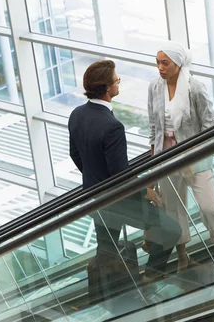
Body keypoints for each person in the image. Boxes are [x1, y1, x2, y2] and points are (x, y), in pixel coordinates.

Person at [68, 60, 181, 286]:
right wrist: (144, 192)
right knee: (171, 230)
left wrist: (96, 179)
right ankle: (150, 278)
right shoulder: (113, 127)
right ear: (108, 89)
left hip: (94, 197)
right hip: (119, 202)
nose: (119, 83)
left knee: (106, 251)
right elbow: (120, 174)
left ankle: (109, 298)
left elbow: (75, 155)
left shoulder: (77, 114)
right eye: (117, 80)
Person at [148, 42, 214, 272]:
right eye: (158, 63)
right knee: (173, 211)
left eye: (165, 63)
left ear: (178, 63)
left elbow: (209, 125)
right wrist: (155, 162)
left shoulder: (195, 87)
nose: (160, 68)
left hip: (194, 157)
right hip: (166, 158)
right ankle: (182, 254)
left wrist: (197, 152)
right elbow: (154, 127)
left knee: (208, 206)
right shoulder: (155, 87)